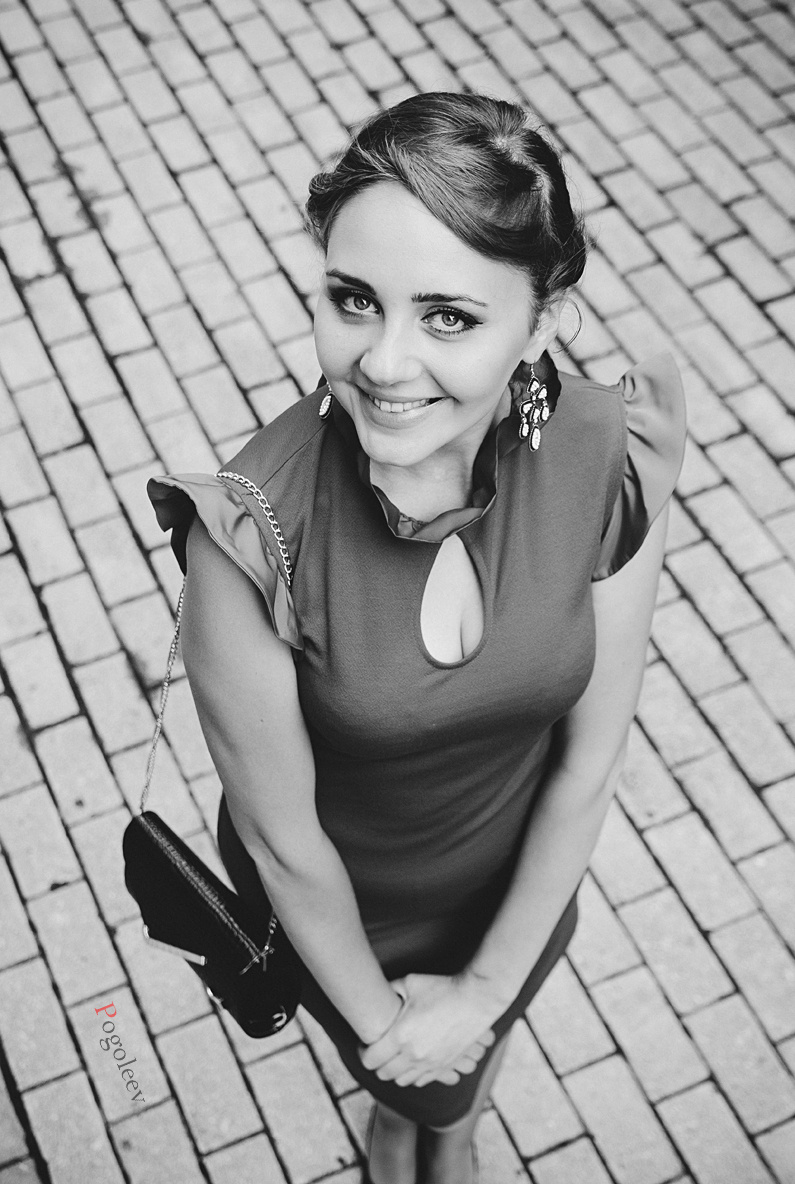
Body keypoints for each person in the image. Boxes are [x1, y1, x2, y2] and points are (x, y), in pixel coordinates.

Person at [148, 92, 686, 1184]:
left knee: (465, 1078)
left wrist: (486, 990)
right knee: (424, 1097)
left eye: (448, 316)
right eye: (355, 300)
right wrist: (394, 1034)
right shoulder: (248, 535)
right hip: (347, 926)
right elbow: (285, 844)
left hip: (518, 886)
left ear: (543, 321)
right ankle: (414, 1124)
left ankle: (444, 1121)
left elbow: (589, 761)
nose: (385, 365)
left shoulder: (607, 454)